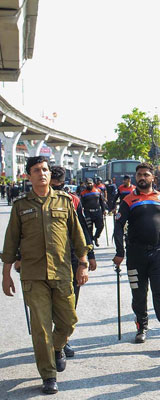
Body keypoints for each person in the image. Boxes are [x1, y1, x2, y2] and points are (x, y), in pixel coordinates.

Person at [2, 156, 90, 395]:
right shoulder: (20, 206)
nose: (42, 173)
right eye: (36, 170)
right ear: (29, 176)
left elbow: (78, 236)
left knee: (68, 321)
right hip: (33, 275)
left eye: (45, 170)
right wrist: (6, 274)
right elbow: (10, 243)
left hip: (62, 272)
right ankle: (48, 375)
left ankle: (57, 347)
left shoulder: (65, 202)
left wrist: (82, 264)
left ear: (50, 175)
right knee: (40, 327)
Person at [112, 162, 160, 348]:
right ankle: (141, 327)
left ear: (153, 178)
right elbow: (118, 226)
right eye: (139, 175)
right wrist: (120, 252)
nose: (142, 178)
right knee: (139, 294)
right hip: (135, 255)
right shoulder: (128, 200)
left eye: (146, 174)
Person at [49, 166, 97, 358]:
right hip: (47, 258)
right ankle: (51, 341)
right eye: (53, 186)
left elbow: (83, 229)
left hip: (72, 257)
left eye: (59, 185)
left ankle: (63, 339)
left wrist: (90, 256)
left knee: (70, 302)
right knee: (48, 301)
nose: (56, 190)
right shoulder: (33, 201)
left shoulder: (73, 200)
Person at [79, 178, 107, 247]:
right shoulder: (83, 193)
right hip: (88, 212)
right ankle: (91, 242)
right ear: (85, 184)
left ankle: (96, 237)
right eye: (88, 183)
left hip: (98, 212)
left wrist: (104, 210)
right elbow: (81, 204)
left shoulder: (98, 190)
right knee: (89, 229)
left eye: (90, 183)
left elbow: (101, 202)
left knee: (101, 226)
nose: (89, 185)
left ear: (93, 183)